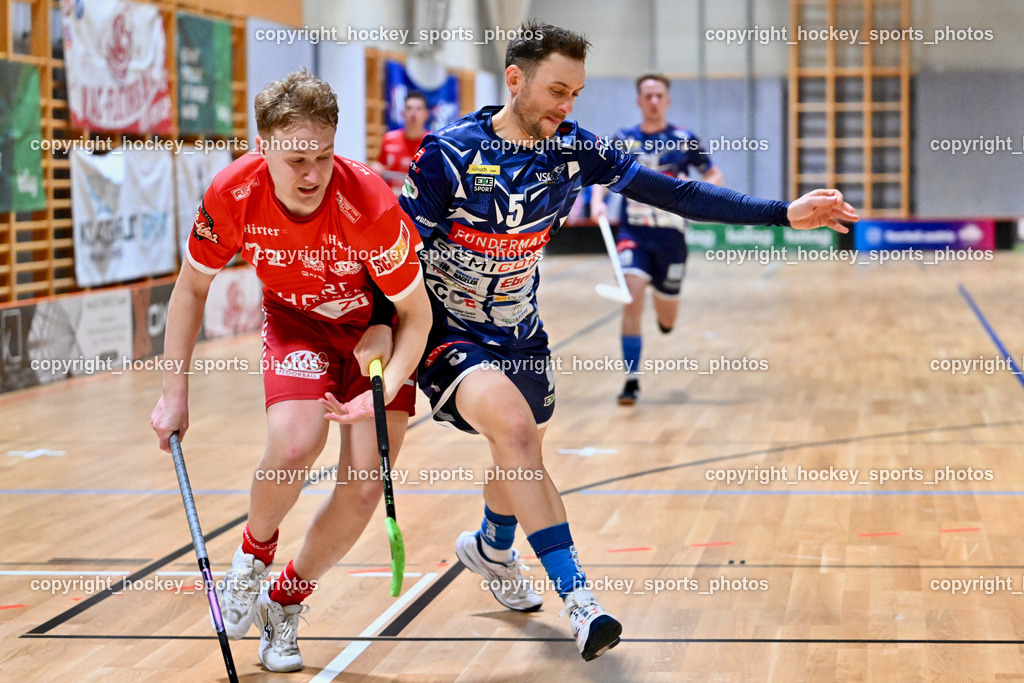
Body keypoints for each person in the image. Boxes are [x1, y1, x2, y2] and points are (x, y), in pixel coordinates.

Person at [380, 20, 858, 663]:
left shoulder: (575, 148)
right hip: (451, 334)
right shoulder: (450, 154)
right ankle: (582, 603)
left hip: (522, 331)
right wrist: (381, 352)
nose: (566, 106)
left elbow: (679, 193)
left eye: (575, 93)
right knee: (517, 435)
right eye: (556, 90)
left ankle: (492, 546)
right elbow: (393, 259)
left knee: (520, 449)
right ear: (515, 79)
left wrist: (784, 213)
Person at [150, 69, 431, 673]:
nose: (311, 174)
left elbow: (416, 312)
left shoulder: (369, 201)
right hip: (298, 324)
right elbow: (190, 289)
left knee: (362, 491)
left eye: (323, 157)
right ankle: (253, 558)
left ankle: (286, 602)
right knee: (297, 440)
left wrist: (385, 391)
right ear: (263, 150)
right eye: (295, 158)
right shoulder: (232, 193)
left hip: (373, 337)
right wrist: (174, 392)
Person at [590, 74, 723, 404]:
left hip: (671, 239)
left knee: (667, 316)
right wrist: (597, 203)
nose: (652, 101)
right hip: (634, 232)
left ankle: (665, 319)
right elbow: (601, 176)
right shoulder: (623, 139)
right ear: (638, 101)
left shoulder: (683, 139)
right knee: (631, 297)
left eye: (658, 95)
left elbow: (712, 172)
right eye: (646, 95)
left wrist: (709, 193)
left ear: (666, 100)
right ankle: (631, 381)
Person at [371, 91, 430, 195]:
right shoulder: (389, 139)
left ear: (426, 114)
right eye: (409, 108)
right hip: (393, 200)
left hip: (419, 204)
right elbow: (380, 163)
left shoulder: (432, 143)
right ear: (403, 113)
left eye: (418, 109)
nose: (413, 113)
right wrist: (375, 167)